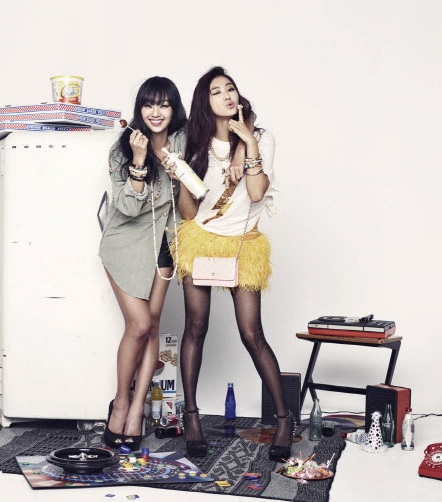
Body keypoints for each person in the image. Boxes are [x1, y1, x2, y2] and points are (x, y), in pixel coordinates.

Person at [171, 66, 292, 461]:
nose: (226, 95)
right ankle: (191, 417)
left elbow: (256, 193)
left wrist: (248, 145)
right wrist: (181, 178)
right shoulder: (196, 142)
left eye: (230, 88)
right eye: (215, 91)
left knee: (251, 333)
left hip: (243, 244)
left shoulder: (261, 137)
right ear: (204, 102)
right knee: (196, 327)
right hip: (201, 239)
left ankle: (284, 419)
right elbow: (189, 213)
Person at [98, 76, 187, 450]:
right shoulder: (122, 148)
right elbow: (128, 207)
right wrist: (139, 160)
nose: (156, 112)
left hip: (165, 243)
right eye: (149, 104)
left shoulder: (183, 141)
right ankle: (120, 403)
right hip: (125, 242)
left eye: (164, 104)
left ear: (173, 109)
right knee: (138, 324)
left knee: (152, 326)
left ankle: (136, 413)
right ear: (140, 108)